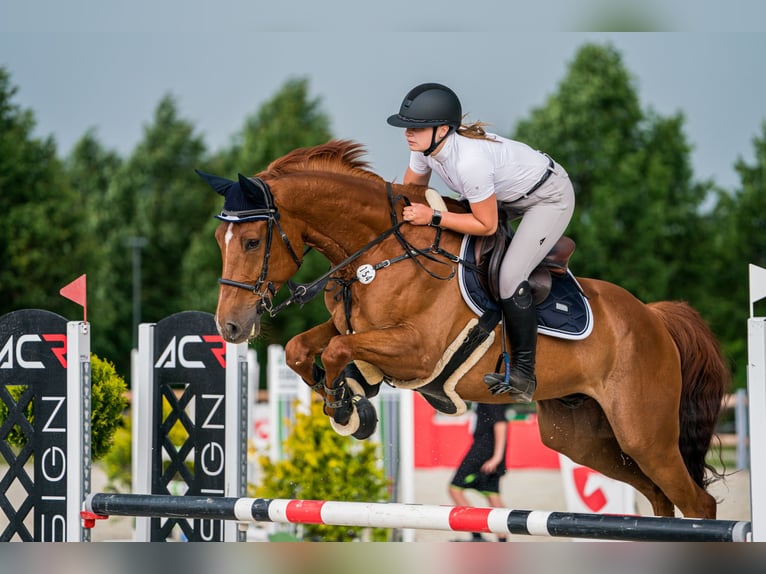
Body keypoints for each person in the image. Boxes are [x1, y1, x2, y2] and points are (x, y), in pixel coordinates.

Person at [387, 82, 575, 402]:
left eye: (416, 127)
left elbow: (486, 225)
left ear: (443, 130)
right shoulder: (425, 149)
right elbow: (411, 192)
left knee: (509, 278)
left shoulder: (469, 162)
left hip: (548, 198)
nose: (407, 133)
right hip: (505, 195)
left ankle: (524, 374)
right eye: (407, 126)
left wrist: (433, 217)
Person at [448, 402, 509, 542]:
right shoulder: (481, 398)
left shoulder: (489, 395)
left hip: (482, 455)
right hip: (484, 452)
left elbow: (501, 424)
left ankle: (477, 536)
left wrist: (497, 457)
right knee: (492, 495)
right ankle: (502, 540)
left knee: (454, 488)